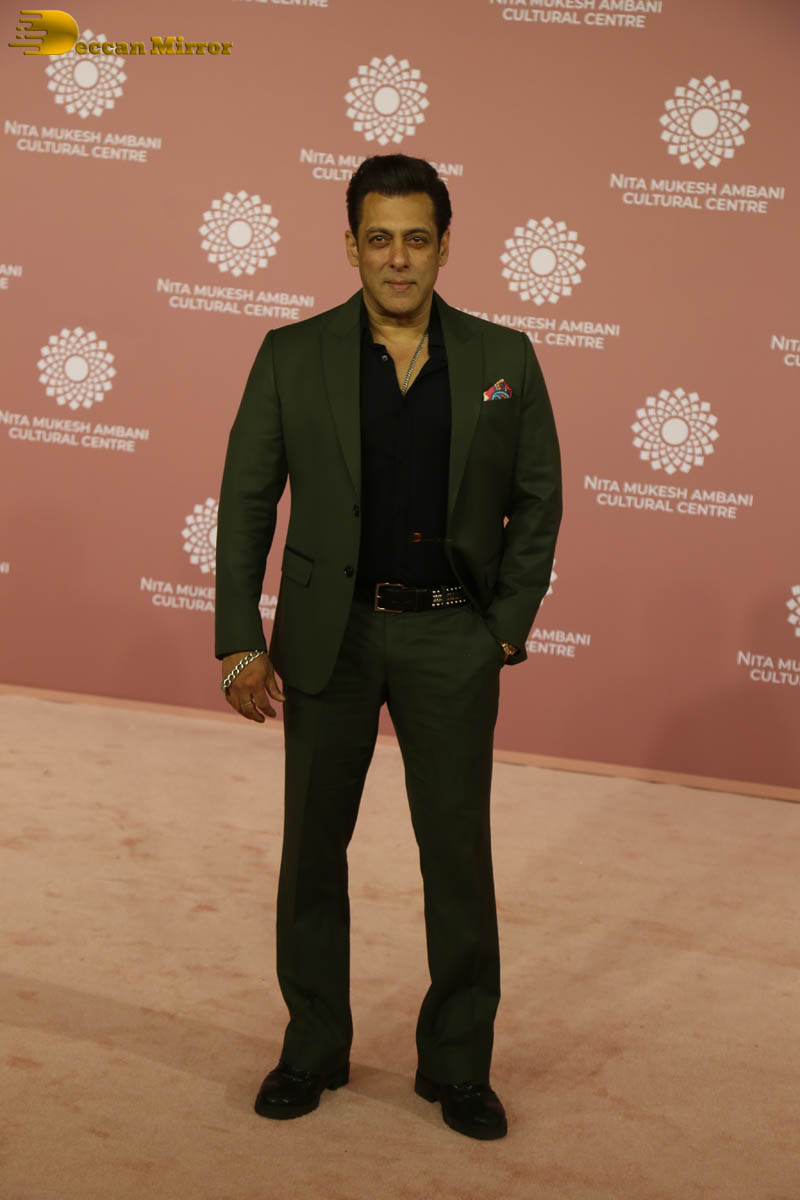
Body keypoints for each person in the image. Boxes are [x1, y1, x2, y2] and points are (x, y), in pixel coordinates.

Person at [214, 154, 562, 1140]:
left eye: (416, 238)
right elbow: (246, 503)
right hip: (330, 637)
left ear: (444, 246)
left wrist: (502, 630)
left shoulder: (504, 357)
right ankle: (313, 1046)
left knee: (456, 854)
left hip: (453, 636)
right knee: (311, 851)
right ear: (351, 246)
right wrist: (239, 640)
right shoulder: (291, 355)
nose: (398, 258)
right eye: (379, 238)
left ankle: (458, 1065)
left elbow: (537, 501)